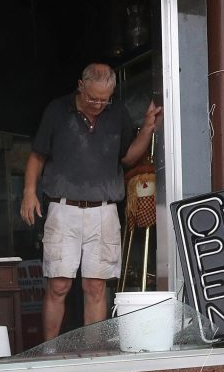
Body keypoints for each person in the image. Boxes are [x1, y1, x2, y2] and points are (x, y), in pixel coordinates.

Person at [20, 62, 162, 341]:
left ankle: (93, 355)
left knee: (96, 287)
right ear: (80, 86)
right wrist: (28, 192)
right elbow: (37, 155)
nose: (98, 104)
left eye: (104, 98)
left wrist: (146, 129)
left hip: (104, 211)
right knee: (58, 285)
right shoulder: (57, 110)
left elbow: (129, 157)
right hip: (63, 208)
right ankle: (48, 351)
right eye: (93, 97)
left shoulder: (117, 112)